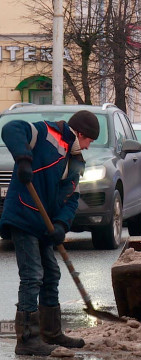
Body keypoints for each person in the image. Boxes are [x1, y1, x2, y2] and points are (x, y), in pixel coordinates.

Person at [0, 110, 100, 356]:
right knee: (33, 275)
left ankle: (51, 332)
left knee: (51, 273)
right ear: (81, 134)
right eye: (89, 141)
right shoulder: (47, 133)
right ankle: (27, 339)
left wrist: (61, 226)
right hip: (24, 215)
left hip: (44, 224)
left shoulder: (76, 162)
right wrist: (23, 159)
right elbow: (11, 128)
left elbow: (72, 198)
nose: (88, 147)